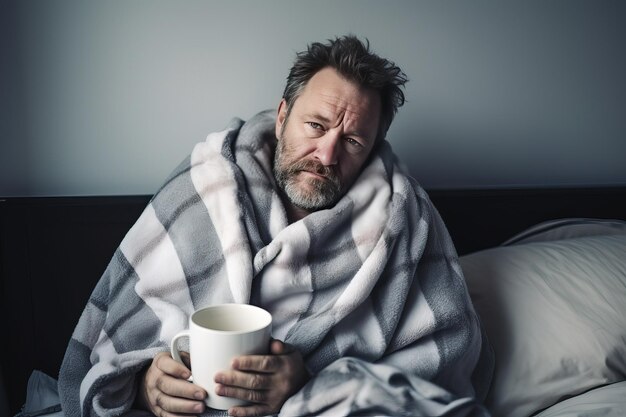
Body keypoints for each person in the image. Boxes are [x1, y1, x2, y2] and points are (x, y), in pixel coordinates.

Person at [59, 35, 492, 417]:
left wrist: (312, 383)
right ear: (283, 115)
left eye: (353, 141)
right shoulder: (203, 188)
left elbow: (443, 358)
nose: (326, 155)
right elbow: (117, 345)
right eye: (316, 126)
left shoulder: (405, 218)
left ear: (373, 149)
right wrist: (145, 388)